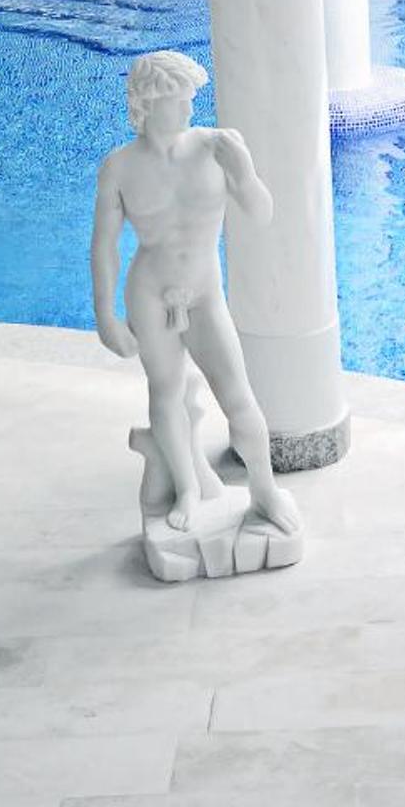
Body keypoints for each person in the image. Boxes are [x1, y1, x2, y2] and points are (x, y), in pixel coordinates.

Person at [89, 50, 300, 538]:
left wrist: (244, 172)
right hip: (149, 294)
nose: (189, 108)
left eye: (189, 98)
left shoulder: (218, 147)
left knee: (238, 394)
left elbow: (262, 214)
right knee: (165, 393)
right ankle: (187, 488)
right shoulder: (119, 167)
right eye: (179, 99)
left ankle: (264, 490)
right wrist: (106, 316)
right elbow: (104, 247)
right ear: (150, 102)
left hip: (204, 294)